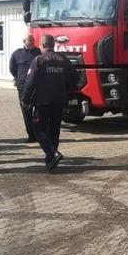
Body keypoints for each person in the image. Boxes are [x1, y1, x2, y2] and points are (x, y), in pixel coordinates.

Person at [22, 34, 78, 172]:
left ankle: (52, 153)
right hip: (59, 101)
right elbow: (75, 77)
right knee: (54, 129)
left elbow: (29, 82)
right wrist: (67, 89)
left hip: (42, 101)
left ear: (41, 45)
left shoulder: (38, 60)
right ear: (53, 45)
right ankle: (51, 160)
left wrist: (25, 99)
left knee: (39, 129)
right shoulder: (63, 59)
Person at [9, 33, 42, 142]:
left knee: (38, 112)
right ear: (24, 42)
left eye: (33, 40)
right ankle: (31, 136)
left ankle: (40, 134)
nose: (32, 42)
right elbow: (12, 68)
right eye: (30, 40)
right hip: (22, 87)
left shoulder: (38, 52)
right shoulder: (17, 54)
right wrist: (19, 78)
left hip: (37, 86)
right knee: (26, 112)